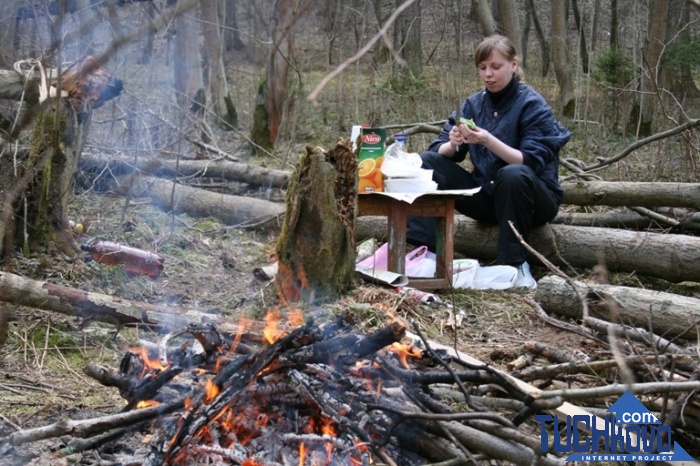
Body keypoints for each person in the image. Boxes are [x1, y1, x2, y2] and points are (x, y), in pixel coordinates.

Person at [407, 34, 570, 289]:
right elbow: (438, 150)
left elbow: (530, 161)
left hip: (534, 200)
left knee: (513, 173)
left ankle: (514, 264)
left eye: (496, 67)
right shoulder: (473, 104)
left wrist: (487, 140)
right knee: (426, 162)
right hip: (488, 196)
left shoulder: (532, 104)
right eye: (483, 68)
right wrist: (454, 141)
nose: (488, 74)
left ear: (513, 65)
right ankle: (425, 255)